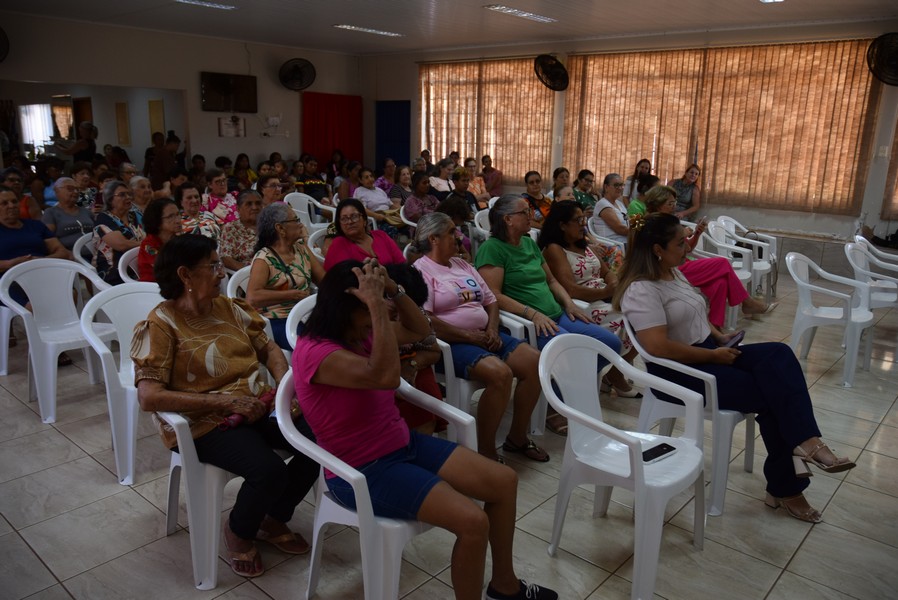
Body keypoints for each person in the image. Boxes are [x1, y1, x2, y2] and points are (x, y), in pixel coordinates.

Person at [293, 258, 558, 600]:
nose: (373, 322)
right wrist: (377, 308)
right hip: (362, 470)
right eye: (368, 312)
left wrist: (393, 290)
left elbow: (422, 333)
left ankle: (504, 585)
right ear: (344, 311)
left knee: (504, 482)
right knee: (472, 522)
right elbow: (386, 376)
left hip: (401, 445)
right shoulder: (317, 352)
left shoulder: (359, 333)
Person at [614, 213, 856, 523]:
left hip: (705, 352)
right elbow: (657, 347)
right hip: (678, 373)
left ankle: (805, 445)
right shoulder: (642, 289)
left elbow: (696, 316)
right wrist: (713, 356)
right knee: (773, 394)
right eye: (680, 243)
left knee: (779, 355)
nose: (688, 247)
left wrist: (718, 337)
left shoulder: (672, 273)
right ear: (658, 249)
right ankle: (788, 483)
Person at [132, 234, 319, 578]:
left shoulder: (229, 308)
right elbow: (149, 396)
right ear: (185, 274)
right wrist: (226, 401)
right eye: (213, 265)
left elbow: (269, 348)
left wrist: (283, 386)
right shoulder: (161, 324)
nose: (222, 272)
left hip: (256, 404)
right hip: (205, 420)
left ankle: (272, 517)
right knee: (269, 470)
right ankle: (238, 530)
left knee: (318, 442)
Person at [475, 195, 623, 436]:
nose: (532, 217)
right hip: (529, 322)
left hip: (557, 314)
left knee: (610, 344)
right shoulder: (491, 249)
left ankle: (559, 389)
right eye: (525, 213)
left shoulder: (528, 243)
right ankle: (555, 406)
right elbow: (493, 295)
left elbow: (552, 280)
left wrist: (569, 304)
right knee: (570, 352)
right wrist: (532, 314)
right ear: (508, 219)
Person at [412, 213, 546, 462]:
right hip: (451, 344)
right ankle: (486, 450)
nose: (458, 236)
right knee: (500, 374)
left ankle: (517, 438)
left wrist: (492, 329)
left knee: (535, 361)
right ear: (433, 239)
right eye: (451, 232)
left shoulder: (462, 265)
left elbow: (491, 300)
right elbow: (425, 319)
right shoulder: (421, 271)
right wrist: (468, 336)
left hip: (485, 335)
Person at [538, 200, 641, 397]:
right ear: (562, 225)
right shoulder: (554, 249)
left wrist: (613, 284)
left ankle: (615, 373)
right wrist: (606, 292)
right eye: (578, 220)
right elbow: (570, 289)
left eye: (584, 219)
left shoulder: (582, 244)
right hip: (582, 305)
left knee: (645, 317)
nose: (583, 224)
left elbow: (606, 272)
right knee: (632, 321)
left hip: (604, 296)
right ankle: (611, 374)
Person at [642, 185, 774, 327]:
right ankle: (747, 302)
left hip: (682, 263)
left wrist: (697, 234)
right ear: (658, 203)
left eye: (675, 202)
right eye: (670, 203)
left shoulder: (669, 221)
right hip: (670, 268)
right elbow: (661, 250)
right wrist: (681, 234)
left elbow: (687, 248)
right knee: (722, 263)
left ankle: (715, 327)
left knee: (720, 283)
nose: (674, 207)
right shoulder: (652, 224)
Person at [246, 204, 324, 350]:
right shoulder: (264, 258)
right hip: (279, 320)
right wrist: (290, 295)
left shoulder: (300, 248)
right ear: (280, 228)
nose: (300, 224)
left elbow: (323, 280)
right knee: (315, 348)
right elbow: (252, 297)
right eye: (296, 220)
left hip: (305, 314)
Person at [323, 198, 404, 270]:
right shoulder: (338, 244)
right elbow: (333, 277)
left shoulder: (381, 236)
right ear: (340, 224)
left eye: (354, 216)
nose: (350, 222)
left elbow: (402, 264)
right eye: (344, 219)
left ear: (364, 220)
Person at [94, 179, 146, 285]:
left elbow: (153, 232)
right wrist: (147, 244)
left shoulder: (136, 215)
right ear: (110, 199)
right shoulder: (103, 218)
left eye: (129, 194)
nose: (128, 197)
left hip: (142, 263)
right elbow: (122, 245)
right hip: (115, 271)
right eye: (122, 195)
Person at [40, 177, 94, 250]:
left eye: (77, 189)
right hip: (69, 254)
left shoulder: (86, 212)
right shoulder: (50, 213)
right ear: (57, 191)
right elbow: (48, 239)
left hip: (96, 252)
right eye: (70, 189)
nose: (75, 192)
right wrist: (66, 253)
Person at [138, 198, 181, 282]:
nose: (178, 220)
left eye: (178, 214)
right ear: (157, 221)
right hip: (154, 285)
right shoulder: (149, 245)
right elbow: (164, 269)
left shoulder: (175, 239)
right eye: (170, 216)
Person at [220, 190, 263, 271]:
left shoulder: (269, 226)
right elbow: (226, 258)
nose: (254, 207)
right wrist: (251, 271)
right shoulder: (231, 228)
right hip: (247, 273)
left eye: (258, 203)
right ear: (238, 209)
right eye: (249, 204)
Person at [588, 173, 629, 246]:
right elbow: (620, 229)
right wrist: (639, 232)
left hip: (626, 241)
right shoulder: (602, 204)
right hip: (613, 245)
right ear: (606, 187)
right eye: (616, 185)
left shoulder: (619, 203)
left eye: (621, 185)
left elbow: (629, 221)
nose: (620, 188)